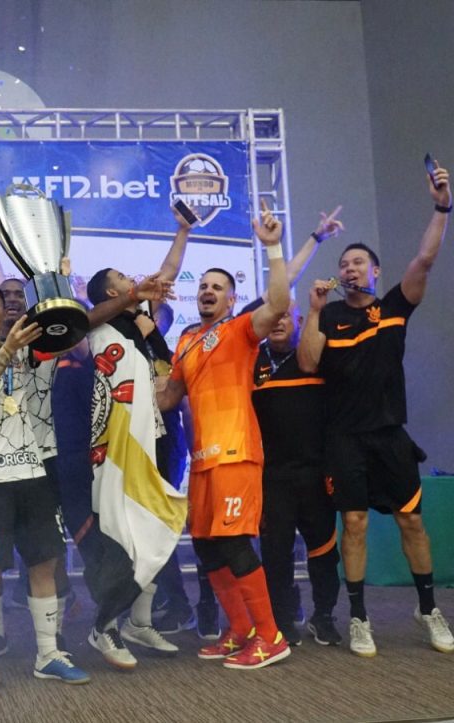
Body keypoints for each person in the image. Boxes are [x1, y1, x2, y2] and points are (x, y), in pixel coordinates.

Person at [297, 163, 454, 657]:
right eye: (344, 263)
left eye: (359, 262)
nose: (349, 269)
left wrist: (442, 205)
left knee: (411, 523)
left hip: (390, 436)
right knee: (357, 525)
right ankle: (359, 617)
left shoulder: (394, 306)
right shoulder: (330, 314)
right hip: (344, 439)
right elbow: (307, 361)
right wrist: (316, 311)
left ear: (376, 271)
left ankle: (428, 609)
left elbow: (426, 259)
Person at [157, 200, 292, 669]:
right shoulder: (187, 341)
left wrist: (272, 248)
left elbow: (278, 303)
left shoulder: (240, 330)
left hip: (236, 453)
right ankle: (240, 631)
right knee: (208, 547)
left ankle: (271, 636)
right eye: (204, 286)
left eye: (219, 287)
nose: (209, 291)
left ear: (232, 299)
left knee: (235, 544)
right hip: (202, 461)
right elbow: (168, 397)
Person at [0, 279, 92, 699]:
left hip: (32, 473)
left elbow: (75, 331)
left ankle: (48, 655)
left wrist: (58, 283)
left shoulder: (24, 344)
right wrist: (8, 351)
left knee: (45, 564)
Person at [84, 203, 193, 657]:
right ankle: (104, 623)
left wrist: (182, 230)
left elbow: (168, 270)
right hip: (114, 446)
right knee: (125, 534)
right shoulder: (96, 322)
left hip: (156, 434)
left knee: (158, 525)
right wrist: (131, 302)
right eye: (125, 279)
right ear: (111, 290)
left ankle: (139, 622)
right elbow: (81, 320)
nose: (136, 282)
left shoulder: (142, 315)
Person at [250, 302, 342, 646]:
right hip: (271, 476)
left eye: (285, 315)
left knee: (322, 551)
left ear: (299, 320)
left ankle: (323, 616)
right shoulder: (250, 361)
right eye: (272, 316)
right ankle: (283, 619)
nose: (277, 322)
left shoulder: (317, 358)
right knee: (275, 552)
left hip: (315, 473)